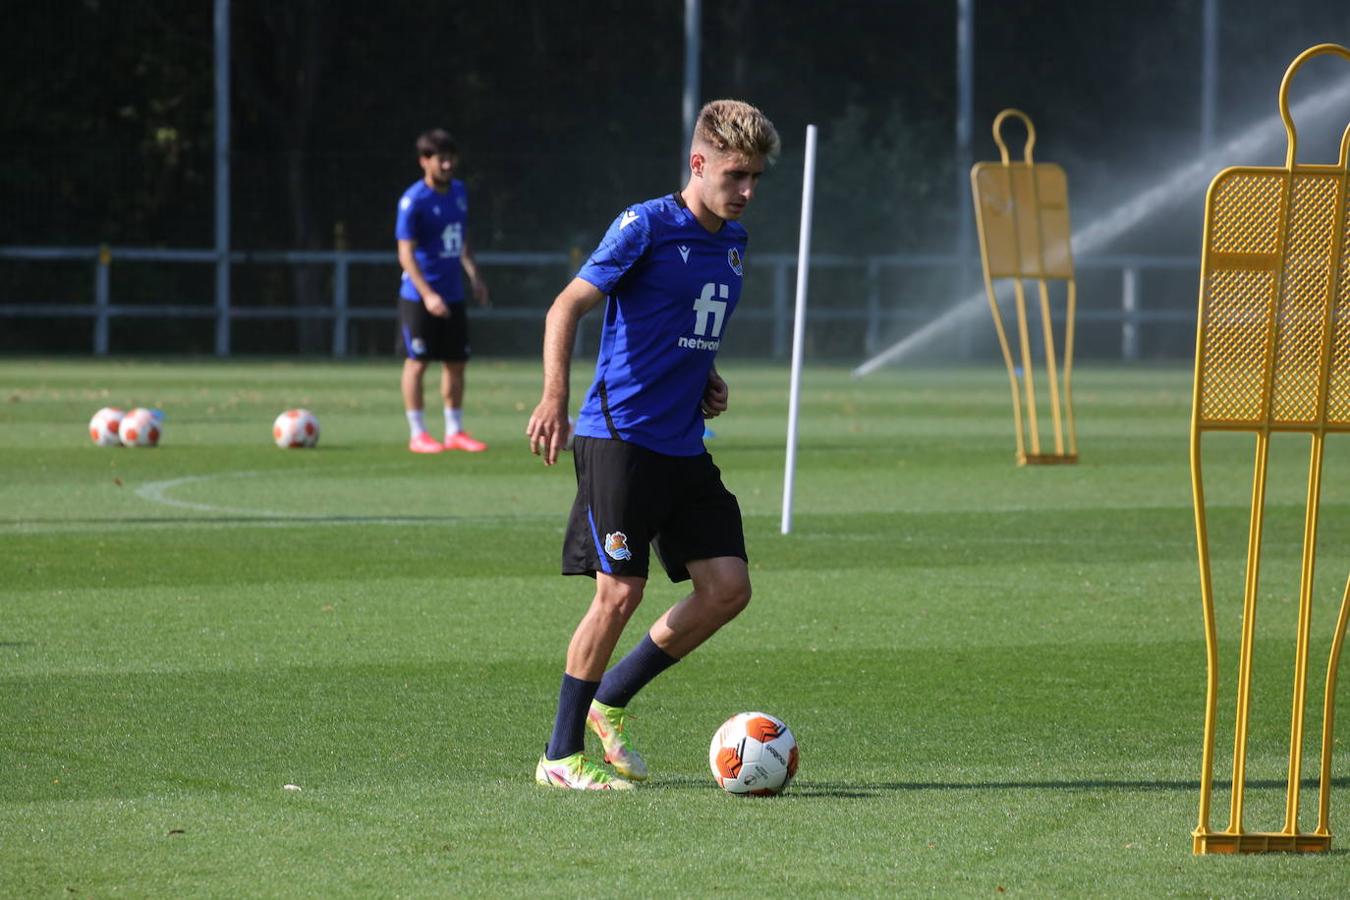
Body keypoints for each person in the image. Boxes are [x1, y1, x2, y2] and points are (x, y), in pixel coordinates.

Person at [525, 100, 780, 790]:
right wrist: (553, 398)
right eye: (735, 175)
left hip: (681, 443)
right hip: (620, 438)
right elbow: (565, 306)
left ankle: (612, 701)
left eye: (756, 176)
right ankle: (559, 756)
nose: (748, 191)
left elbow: (683, 323)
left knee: (728, 588)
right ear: (698, 164)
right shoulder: (644, 225)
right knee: (619, 592)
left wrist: (708, 376)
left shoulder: (734, 241)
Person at [395, 128, 490, 454]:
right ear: (425, 161)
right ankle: (418, 432)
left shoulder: (460, 192)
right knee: (418, 362)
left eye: (451, 158)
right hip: (419, 296)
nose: (448, 164)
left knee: (456, 362)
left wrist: (475, 276)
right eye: (441, 159)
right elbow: (405, 253)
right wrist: (427, 294)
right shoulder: (413, 201)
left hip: (453, 293)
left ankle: (454, 431)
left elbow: (461, 239)